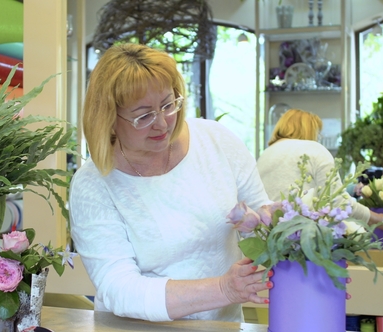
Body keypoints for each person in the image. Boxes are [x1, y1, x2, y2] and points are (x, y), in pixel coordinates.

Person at [68, 43, 273, 323]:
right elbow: (120, 289)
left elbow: (265, 229)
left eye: (168, 105)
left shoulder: (217, 142)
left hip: (222, 327)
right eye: (143, 116)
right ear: (109, 119)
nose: (162, 124)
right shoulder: (93, 185)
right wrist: (224, 288)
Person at [256, 108, 383, 233]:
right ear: (309, 130)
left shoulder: (265, 154)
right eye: (317, 132)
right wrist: (379, 219)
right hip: (299, 239)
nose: (318, 137)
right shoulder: (313, 149)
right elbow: (338, 201)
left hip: (265, 239)